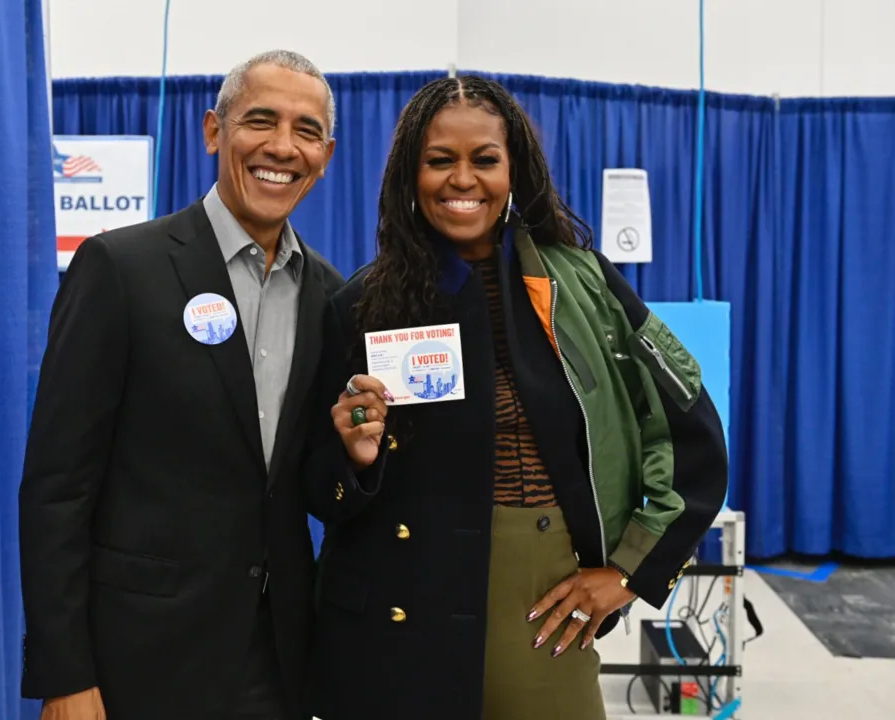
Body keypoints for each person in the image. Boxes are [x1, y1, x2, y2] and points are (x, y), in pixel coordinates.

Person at [302, 76, 728, 720]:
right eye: (440, 160)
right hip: (396, 607)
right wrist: (357, 458)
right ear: (408, 176)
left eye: (484, 160)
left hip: (540, 599)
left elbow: (688, 426)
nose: (462, 179)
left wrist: (631, 569)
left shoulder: (583, 284)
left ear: (515, 168)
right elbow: (319, 488)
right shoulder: (358, 304)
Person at [19, 50, 342, 720]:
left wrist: (356, 457)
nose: (282, 147)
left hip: (274, 663)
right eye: (261, 120)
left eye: (306, 131)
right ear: (212, 131)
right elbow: (57, 486)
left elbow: (305, 479)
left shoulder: (330, 296)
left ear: (327, 154)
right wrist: (65, 672)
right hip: (135, 660)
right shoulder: (120, 268)